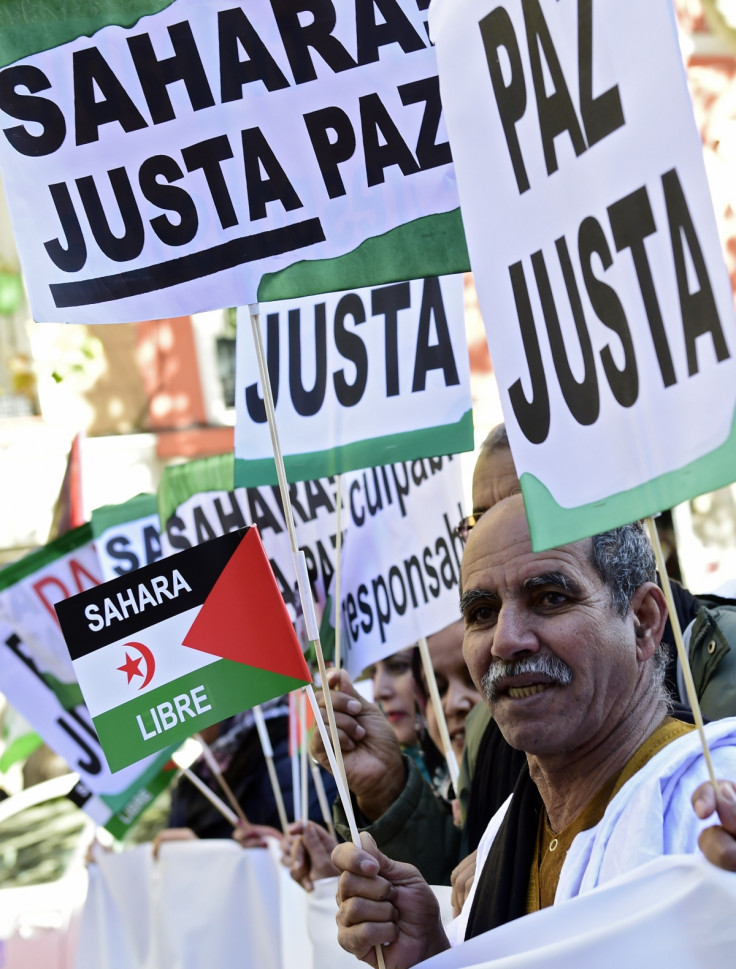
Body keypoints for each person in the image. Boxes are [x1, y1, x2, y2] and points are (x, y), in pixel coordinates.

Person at [331, 494, 736, 967]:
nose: (505, 640)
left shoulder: (710, 800)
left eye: (550, 598)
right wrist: (434, 955)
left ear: (643, 623)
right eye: (482, 612)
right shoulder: (505, 832)